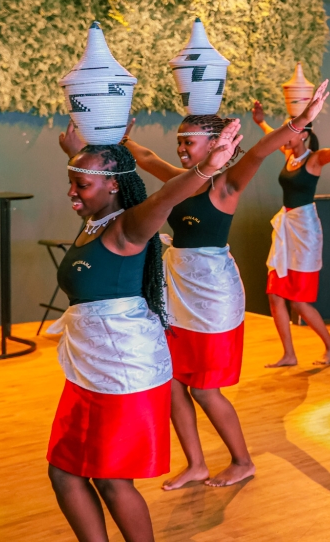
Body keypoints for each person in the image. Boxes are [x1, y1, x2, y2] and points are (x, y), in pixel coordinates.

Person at [82, 83, 327, 491]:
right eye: (179, 142)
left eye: (189, 142)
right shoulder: (181, 178)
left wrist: (299, 122)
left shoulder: (226, 185)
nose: (181, 149)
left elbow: (262, 150)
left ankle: (243, 461)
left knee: (204, 390)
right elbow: (145, 157)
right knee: (174, 383)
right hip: (178, 288)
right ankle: (196, 464)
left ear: (217, 145)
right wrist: (118, 136)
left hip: (212, 294)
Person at [48, 120, 242, 541]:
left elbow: (167, 195)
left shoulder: (129, 228)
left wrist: (207, 168)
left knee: (112, 480)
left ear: (111, 187)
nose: (71, 193)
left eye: (78, 185)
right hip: (89, 368)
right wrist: (81, 152)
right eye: (73, 183)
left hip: (123, 371)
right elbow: (101, 177)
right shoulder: (98, 216)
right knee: (65, 472)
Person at [252, 102, 330, 366]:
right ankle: (288, 354)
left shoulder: (314, 159)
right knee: (275, 294)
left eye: (293, 129)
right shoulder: (289, 155)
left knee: (299, 303)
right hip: (287, 226)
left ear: (304, 134)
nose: (287, 133)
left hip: (304, 230)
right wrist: (261, 122)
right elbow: (276, 136)